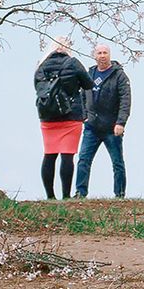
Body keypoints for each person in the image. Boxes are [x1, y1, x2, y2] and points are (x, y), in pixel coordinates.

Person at [34, 39, 92, 199]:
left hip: (48, 116)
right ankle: (66, 195)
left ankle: (50, 196)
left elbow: (38, 88)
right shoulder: (73, 63)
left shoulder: (42, 65)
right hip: (71, 114)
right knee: (67, 155)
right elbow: (88, 84)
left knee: (49, 154)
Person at [75, 42, 132, 198]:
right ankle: (80, 192)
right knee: (83, 160)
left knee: (117, 163)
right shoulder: (89, 74)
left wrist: (121, 122)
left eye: (105, 53)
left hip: (112, 127)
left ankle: (119, 194)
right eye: (99, 53)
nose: (102, 56)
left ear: (109, 55)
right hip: (92, 127)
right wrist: (85, 116)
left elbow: (125, 100)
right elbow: (82, 96)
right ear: (94, 56)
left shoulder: (119, 75)